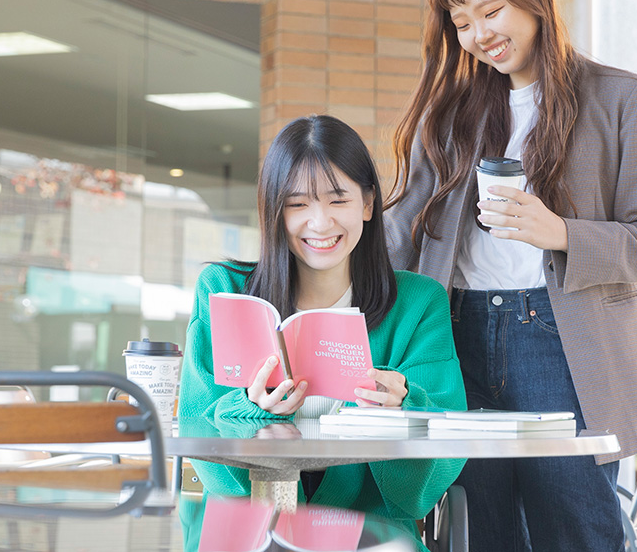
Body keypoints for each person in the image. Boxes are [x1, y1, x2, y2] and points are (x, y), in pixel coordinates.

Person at [384, 0, 637, 551]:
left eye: (491, 11)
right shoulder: (451, 115)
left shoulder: (622, 97)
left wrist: (561, 233)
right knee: (477, 528)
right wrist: (316, 235)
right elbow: (398, 232)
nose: (479, 34)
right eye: (462, 22)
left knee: (576, 527)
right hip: (457, 333)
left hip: (562, 338)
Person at [179, 114, 466, 535]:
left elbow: (426, 482)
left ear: (368, 204)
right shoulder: (223, 290)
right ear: (275, 211)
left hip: (365, 535)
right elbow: (203, 446)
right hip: (249, 530)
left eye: (338, 200)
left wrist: (403, 409)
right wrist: (248, 410)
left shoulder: (418, 303)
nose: (320, 223)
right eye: (297, 204)